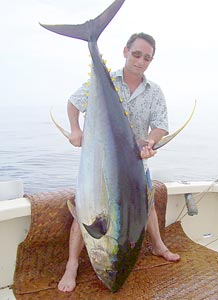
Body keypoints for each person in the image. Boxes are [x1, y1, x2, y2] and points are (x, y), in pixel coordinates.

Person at [58, 32, 180, 293]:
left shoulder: (154, 91)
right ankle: (71, 264)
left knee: (146, 206)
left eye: (147, 58)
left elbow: (161, 126)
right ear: (125, 51)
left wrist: (149, 141)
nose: (141, 61)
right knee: (86, 212)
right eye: (137, 54)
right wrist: (75, 129)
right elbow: (73, 103)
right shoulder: (108, 81)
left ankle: (158, 245)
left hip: (135, 163)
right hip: (101, 163)